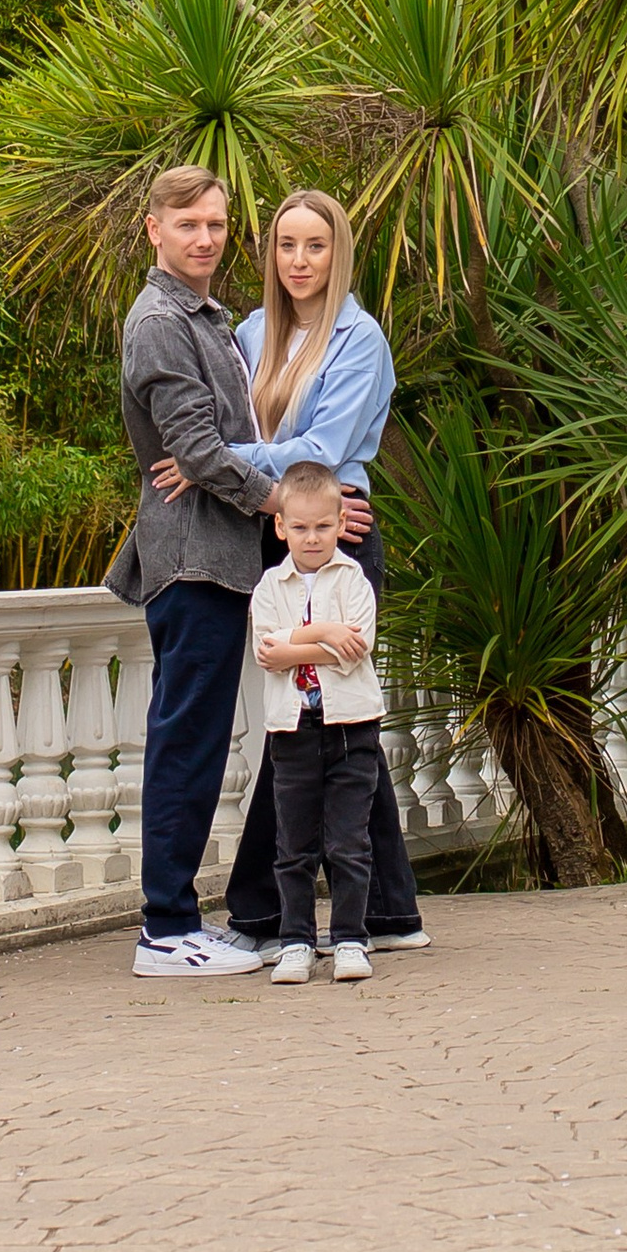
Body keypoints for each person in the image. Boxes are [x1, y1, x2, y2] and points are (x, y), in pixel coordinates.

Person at [148, 186, 430, 950]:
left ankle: (258, 910)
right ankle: (392, 912)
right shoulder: (249, 331)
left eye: (315, 244)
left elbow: (323, 452)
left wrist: (214, 462)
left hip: (338, 541)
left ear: (338, 252)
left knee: (320, 715)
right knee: (333, 720)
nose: (299, 259)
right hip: (273, 536)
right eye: (286, 244)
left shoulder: (359, 338)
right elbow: (234, 422)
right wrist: (241, 472)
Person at [104, 162, 274, 978]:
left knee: (198, 739)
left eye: (215, 223)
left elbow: (211, 445)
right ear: (154, 230)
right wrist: (282, 501)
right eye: (187, 224)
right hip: (191, 559)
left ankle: (176, 921)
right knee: (186, 743)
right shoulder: (160, 321)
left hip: (220, 553)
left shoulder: (208, 316)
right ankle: (166, 928)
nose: (204, 237)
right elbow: (198, 451)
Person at [250, 462, 383, 985]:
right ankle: (296, 941)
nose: (312, 538)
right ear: (281, 526)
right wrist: (326, 630)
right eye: (300, 527)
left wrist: (297, 641)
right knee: (294, 844)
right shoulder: (268, 587)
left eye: (323, 527)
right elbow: (268, 654)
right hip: (292, 730)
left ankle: (350, 937)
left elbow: (354, 652)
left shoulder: (354, 580)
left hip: (351, 725)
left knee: (349, 841)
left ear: (339, 522)